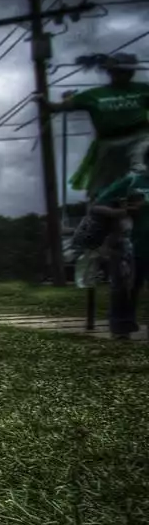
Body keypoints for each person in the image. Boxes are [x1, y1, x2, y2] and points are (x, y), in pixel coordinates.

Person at [57, 52, 149, 200]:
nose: (126, 75)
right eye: (121, 72)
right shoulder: (95, 94)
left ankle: (138, 192)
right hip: (110, 144)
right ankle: (103, 204)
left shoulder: (142, 89)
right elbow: (62, 106)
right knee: (102, 186)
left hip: (140, 138)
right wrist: (55, 101)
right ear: (111, 73)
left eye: (128, 72)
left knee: (139, 164)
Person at [87, 166, 149, 338]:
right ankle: (121, 328)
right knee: (125, 288)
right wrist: (122, 212)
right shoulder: (132, 181)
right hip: (130, 245)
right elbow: (96, 206)